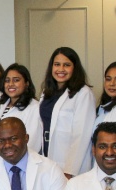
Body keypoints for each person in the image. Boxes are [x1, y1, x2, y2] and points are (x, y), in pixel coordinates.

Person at [37, 47, 96, 177]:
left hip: (69, 166)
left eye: (67, 65)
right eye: (57, 64)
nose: (61, 69)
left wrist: (70, 171)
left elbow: (81, 136)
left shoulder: (83, 93)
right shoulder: (47, 93)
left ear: (75, 68)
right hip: (46, 158)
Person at [0, 63, 43, 154]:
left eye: (16, 80)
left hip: (20, 162)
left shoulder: (34, 108)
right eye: (7, 80)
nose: (10, 84)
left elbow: (32, 142)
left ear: (26, 83)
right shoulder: (1, 106)